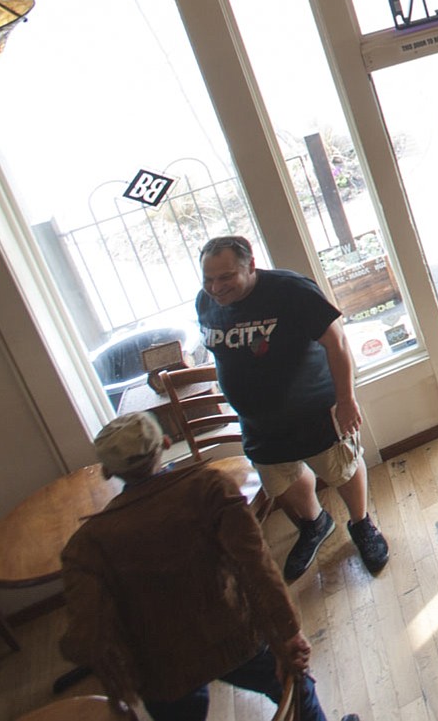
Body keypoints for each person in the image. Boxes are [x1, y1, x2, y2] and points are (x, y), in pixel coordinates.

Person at [59, 411, 359, 721]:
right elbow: (257, 566)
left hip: (162, 668)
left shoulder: (86, 544)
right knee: (298, 689)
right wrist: (289, 633)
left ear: (108, 471)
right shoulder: (209, 487)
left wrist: (121, 679)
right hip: (234, 634)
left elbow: (85, 638)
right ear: (164, 443)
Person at [196, 235, 389, 582]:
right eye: (208, 279)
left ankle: (361, 524)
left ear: (250, 266)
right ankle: (316, 523)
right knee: (281, 476)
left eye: (225, 277)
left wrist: (345, 400)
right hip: (257, 422)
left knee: (340, 469)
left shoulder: (290, 290)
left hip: (313, 410)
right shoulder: (205, 302)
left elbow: (338, 342)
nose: (215, 287)